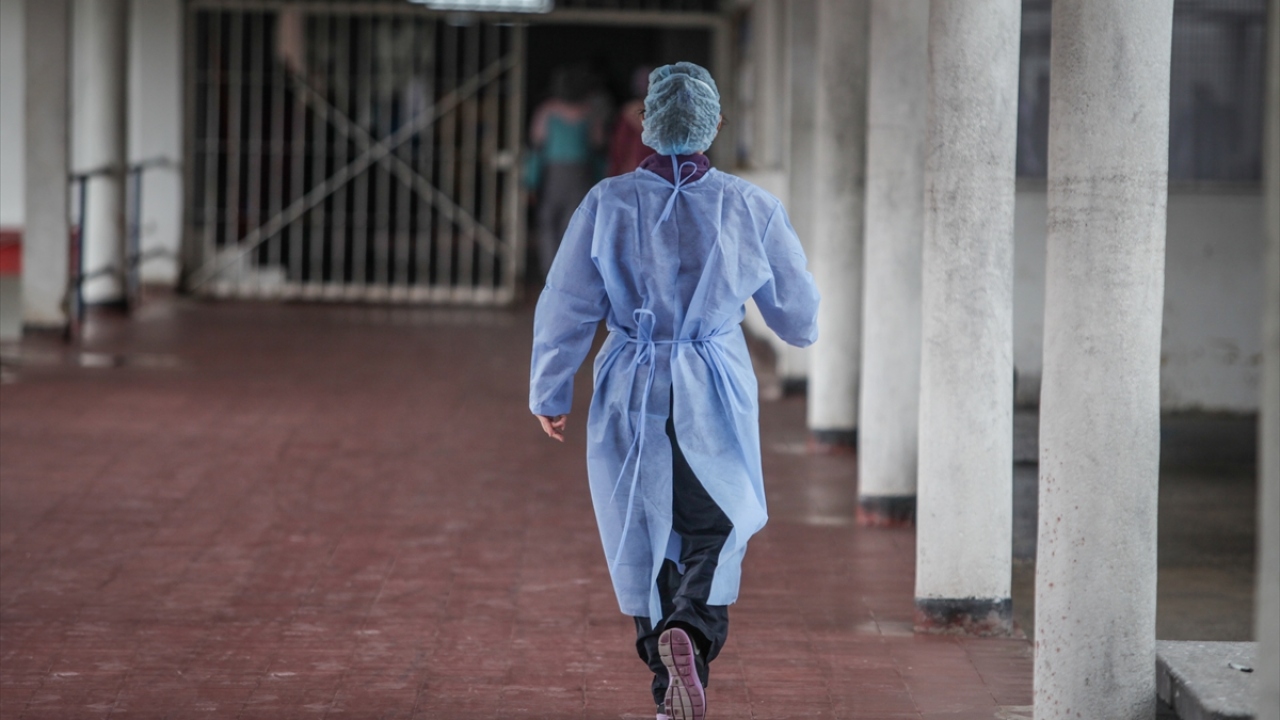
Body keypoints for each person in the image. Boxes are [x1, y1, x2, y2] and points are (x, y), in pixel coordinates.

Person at [529, 62, 820, 720]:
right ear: (715, 124)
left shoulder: (606, 203)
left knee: (643, 530)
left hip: (630, 382)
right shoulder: (749, 207)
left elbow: (565, 304)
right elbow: (798, 319)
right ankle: (689, 627)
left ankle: (668, 689)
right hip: (711, 383)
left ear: (647, 124)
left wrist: (550, 390)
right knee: (717, 519)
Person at [527, 65, 607, 279]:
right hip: (581, 173)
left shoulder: (547, 111)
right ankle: (568, 273)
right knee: (574, 223)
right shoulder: (590, 112)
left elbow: (537, 147)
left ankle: (549, 272)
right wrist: (601, 179)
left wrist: (531, 181)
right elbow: (598, 146)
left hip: (553, 173)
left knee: (548, 221)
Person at [607, 65, 654, 176]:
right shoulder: (665, 116)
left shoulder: (628, 112)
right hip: (649, 174)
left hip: (636, 173)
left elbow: (619, 148)